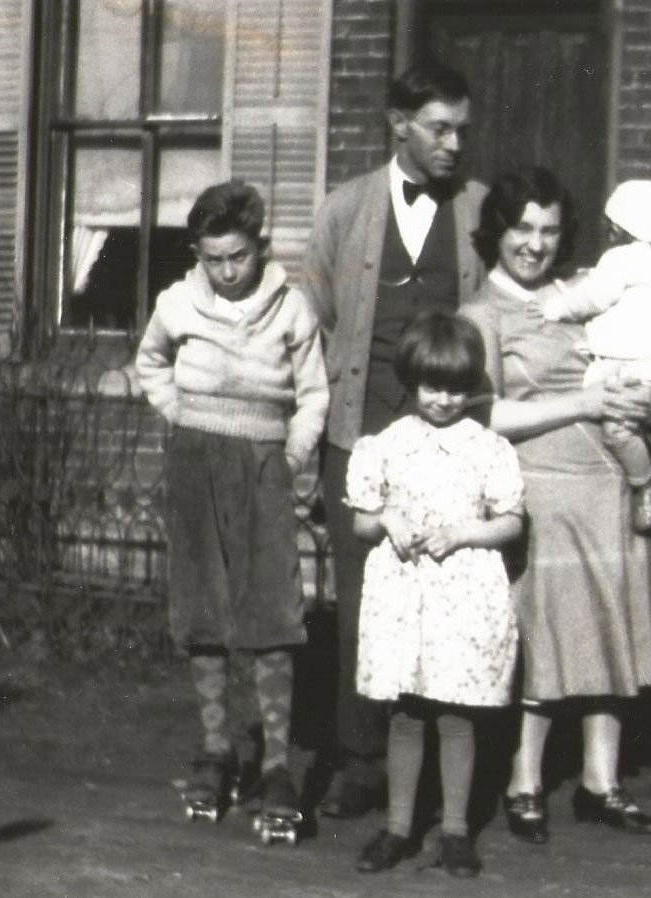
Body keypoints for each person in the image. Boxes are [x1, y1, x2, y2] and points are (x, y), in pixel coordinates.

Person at [460, 166, 651, 845]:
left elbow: (641, 364)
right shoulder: (481, 313)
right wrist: (585, 402)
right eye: (522, 227)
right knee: (547, 638)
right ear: (497, 229)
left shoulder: (584, 294)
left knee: (607, 631)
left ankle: (600, 782)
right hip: (543, 488)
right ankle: (524, 782)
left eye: (549, 230)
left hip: (610, 481)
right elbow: (486, 414)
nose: (535, 244)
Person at [302, 62, 488, 819]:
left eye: (461, 131)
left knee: (448, 596)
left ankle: (450, 775)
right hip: (360, 430)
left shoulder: (480, 209)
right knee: (361, 604)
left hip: (447, 439)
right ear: (398, 123)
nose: (452, 144)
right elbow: (315, 321)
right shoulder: (344, 210)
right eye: (438, 128)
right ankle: (360, 759)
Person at [134, 179, 328, 825]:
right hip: (195, 462)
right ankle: (216, 751)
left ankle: (275, 765)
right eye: (213, 258)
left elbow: (315, 394)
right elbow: (151, 362)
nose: (226, 270)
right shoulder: (177, 303)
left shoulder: (291, 307)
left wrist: (293, 456)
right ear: (198, 254)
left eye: (238, 256)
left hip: (264, 463)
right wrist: (179, 416)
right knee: (202, 608)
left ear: (260, 248)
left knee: (272, 609)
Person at [344, 311, 524, 878]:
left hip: (462, 598)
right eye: (431, 386)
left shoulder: (488, 448)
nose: (443, 399)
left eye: (455, 387)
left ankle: (454, 831)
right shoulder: (388, 444)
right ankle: (398, 826)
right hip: (404, 598)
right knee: (406, 712)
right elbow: (361, 522)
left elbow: (511, 522)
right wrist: (388, 519)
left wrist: (463, 532)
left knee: (455, 713)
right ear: (411, 381)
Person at [539, 179, 651, 533]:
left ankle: (646, 483)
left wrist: (554, 309)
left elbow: (592, 298)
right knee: (623, 423)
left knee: (617, 430)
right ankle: (642, 459)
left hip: (631, 372)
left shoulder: (621, 259)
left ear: (617, 228)